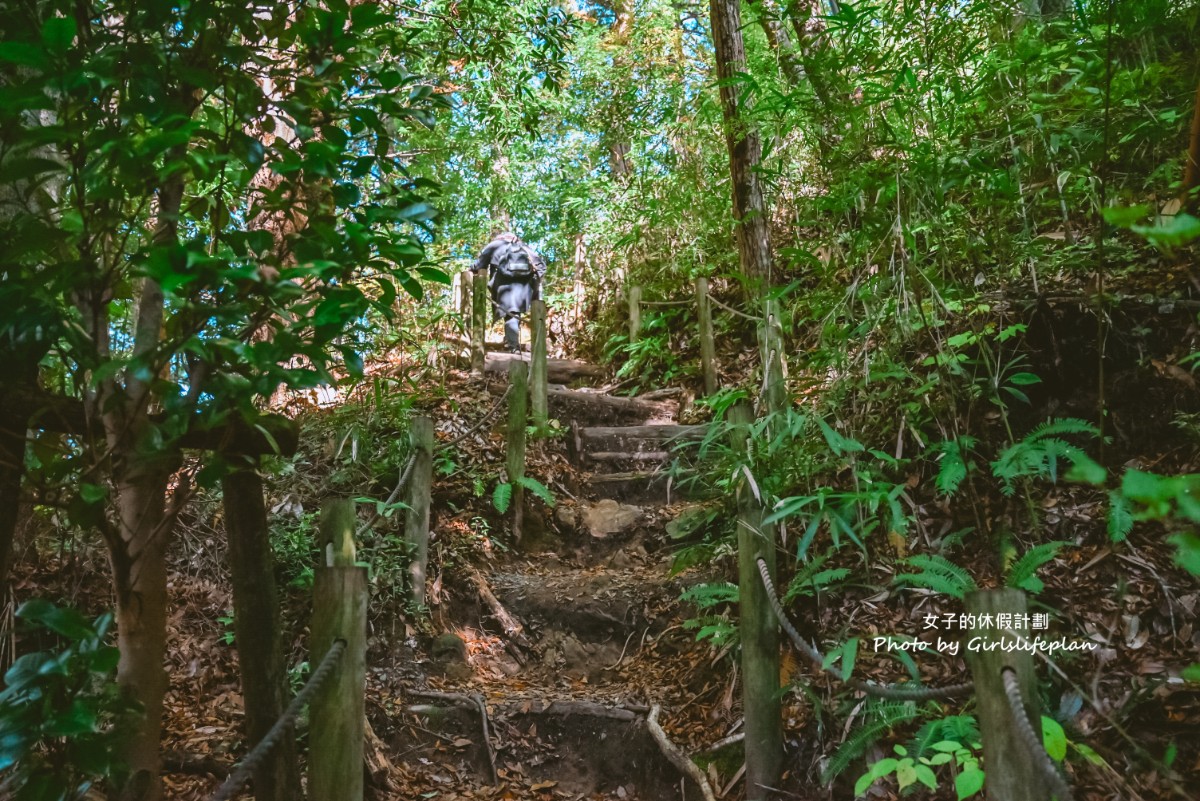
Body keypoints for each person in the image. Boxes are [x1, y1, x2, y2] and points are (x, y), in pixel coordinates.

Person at [472, 231, 547, 352]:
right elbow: (541, 267)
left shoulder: (494, 245)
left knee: (511, 314)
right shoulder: (524, 247)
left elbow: (480, 264)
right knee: (514, 314)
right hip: (524, 287)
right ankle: (512, 341)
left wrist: (470, 269)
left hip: (504, 285)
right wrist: (532, 286)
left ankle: (513, 347)